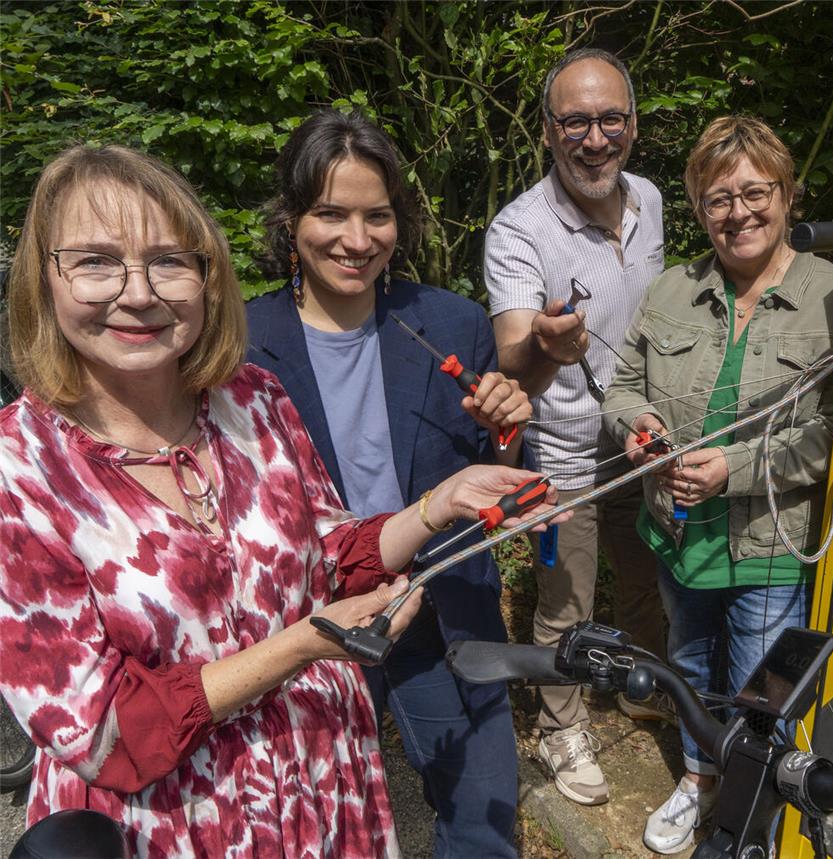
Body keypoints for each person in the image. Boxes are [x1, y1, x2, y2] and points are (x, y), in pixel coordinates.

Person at [0, 144, 560, 857]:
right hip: (173, 826)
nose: (138, 291)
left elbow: (327, 552)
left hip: (325, 790)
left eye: (169, 260)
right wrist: (303, 643)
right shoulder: (18, 467)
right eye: (95, 261)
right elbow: (102, 729)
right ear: (44, 278)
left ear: (207, 275)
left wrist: (437, 504)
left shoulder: (251, 400)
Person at [245, 109, 528, 858]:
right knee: (316, 821)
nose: (356, 239)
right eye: (330, 213)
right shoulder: (240, 348)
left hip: (440, 609)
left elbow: (490, 464)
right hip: (317, 621)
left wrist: (507, 425)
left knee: (484, 809)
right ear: (290, 217)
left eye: (377, 216)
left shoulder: (451, 322)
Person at [601, 116, 833, 854]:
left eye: (754, 192)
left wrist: (734, 469)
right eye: (717, 199)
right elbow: (620, 388)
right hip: (679, 531)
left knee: (758, 685)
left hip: (769, 540)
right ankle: (701, 777)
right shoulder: (672, 290)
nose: (737, 212)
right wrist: (640, 427)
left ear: (788, 193)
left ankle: (752, 816)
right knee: (685, 662)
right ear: (698, 207)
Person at [483, 48, 668, 807]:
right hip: (561, 455)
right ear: (548, 130)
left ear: (633, 122)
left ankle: (635, 685)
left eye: (610, 118)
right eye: (576, 121)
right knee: (565, 602)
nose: (595, 138)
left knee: (649, 579)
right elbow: (512, 345)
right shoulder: (519, 229)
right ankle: (561, 724)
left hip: (639, 437)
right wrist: (543, 346)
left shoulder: (652, 198)